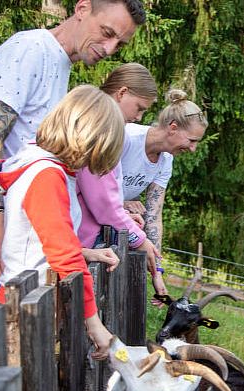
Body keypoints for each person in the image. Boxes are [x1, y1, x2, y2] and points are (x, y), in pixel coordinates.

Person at [0, 0, 146, 288]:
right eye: (106, 32)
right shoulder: (29, 51)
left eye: (119, 43)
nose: (110, 48)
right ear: (82, 9)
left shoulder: (60, 63)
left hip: (20, 237)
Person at [0, 85, 124, 360]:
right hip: (24, 311)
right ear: (87, 139)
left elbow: (41, 240)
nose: (91, 164)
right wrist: (95, 324)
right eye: (94, 154)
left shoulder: (45, 167)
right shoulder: (47, 176)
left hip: (31, 301)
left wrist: (86, 253)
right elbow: (62, 254)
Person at [120, 89, 208, 298]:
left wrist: (157, 271)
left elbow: (153, 216)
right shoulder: (127, 137)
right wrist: (122, 203)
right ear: (173, 128)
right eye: (191, 140)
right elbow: (90, 180)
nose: (193, 149)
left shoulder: (165, 161)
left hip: (117, 226)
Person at [76, 63, 162, 278]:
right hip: (77, 239)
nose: (139, 117)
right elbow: (102, 201)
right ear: (122, 93)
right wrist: (139, 238)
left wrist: (122, 215)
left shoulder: (107, 127)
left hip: (82, 238)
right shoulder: (99, 128)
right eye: (139, 108)